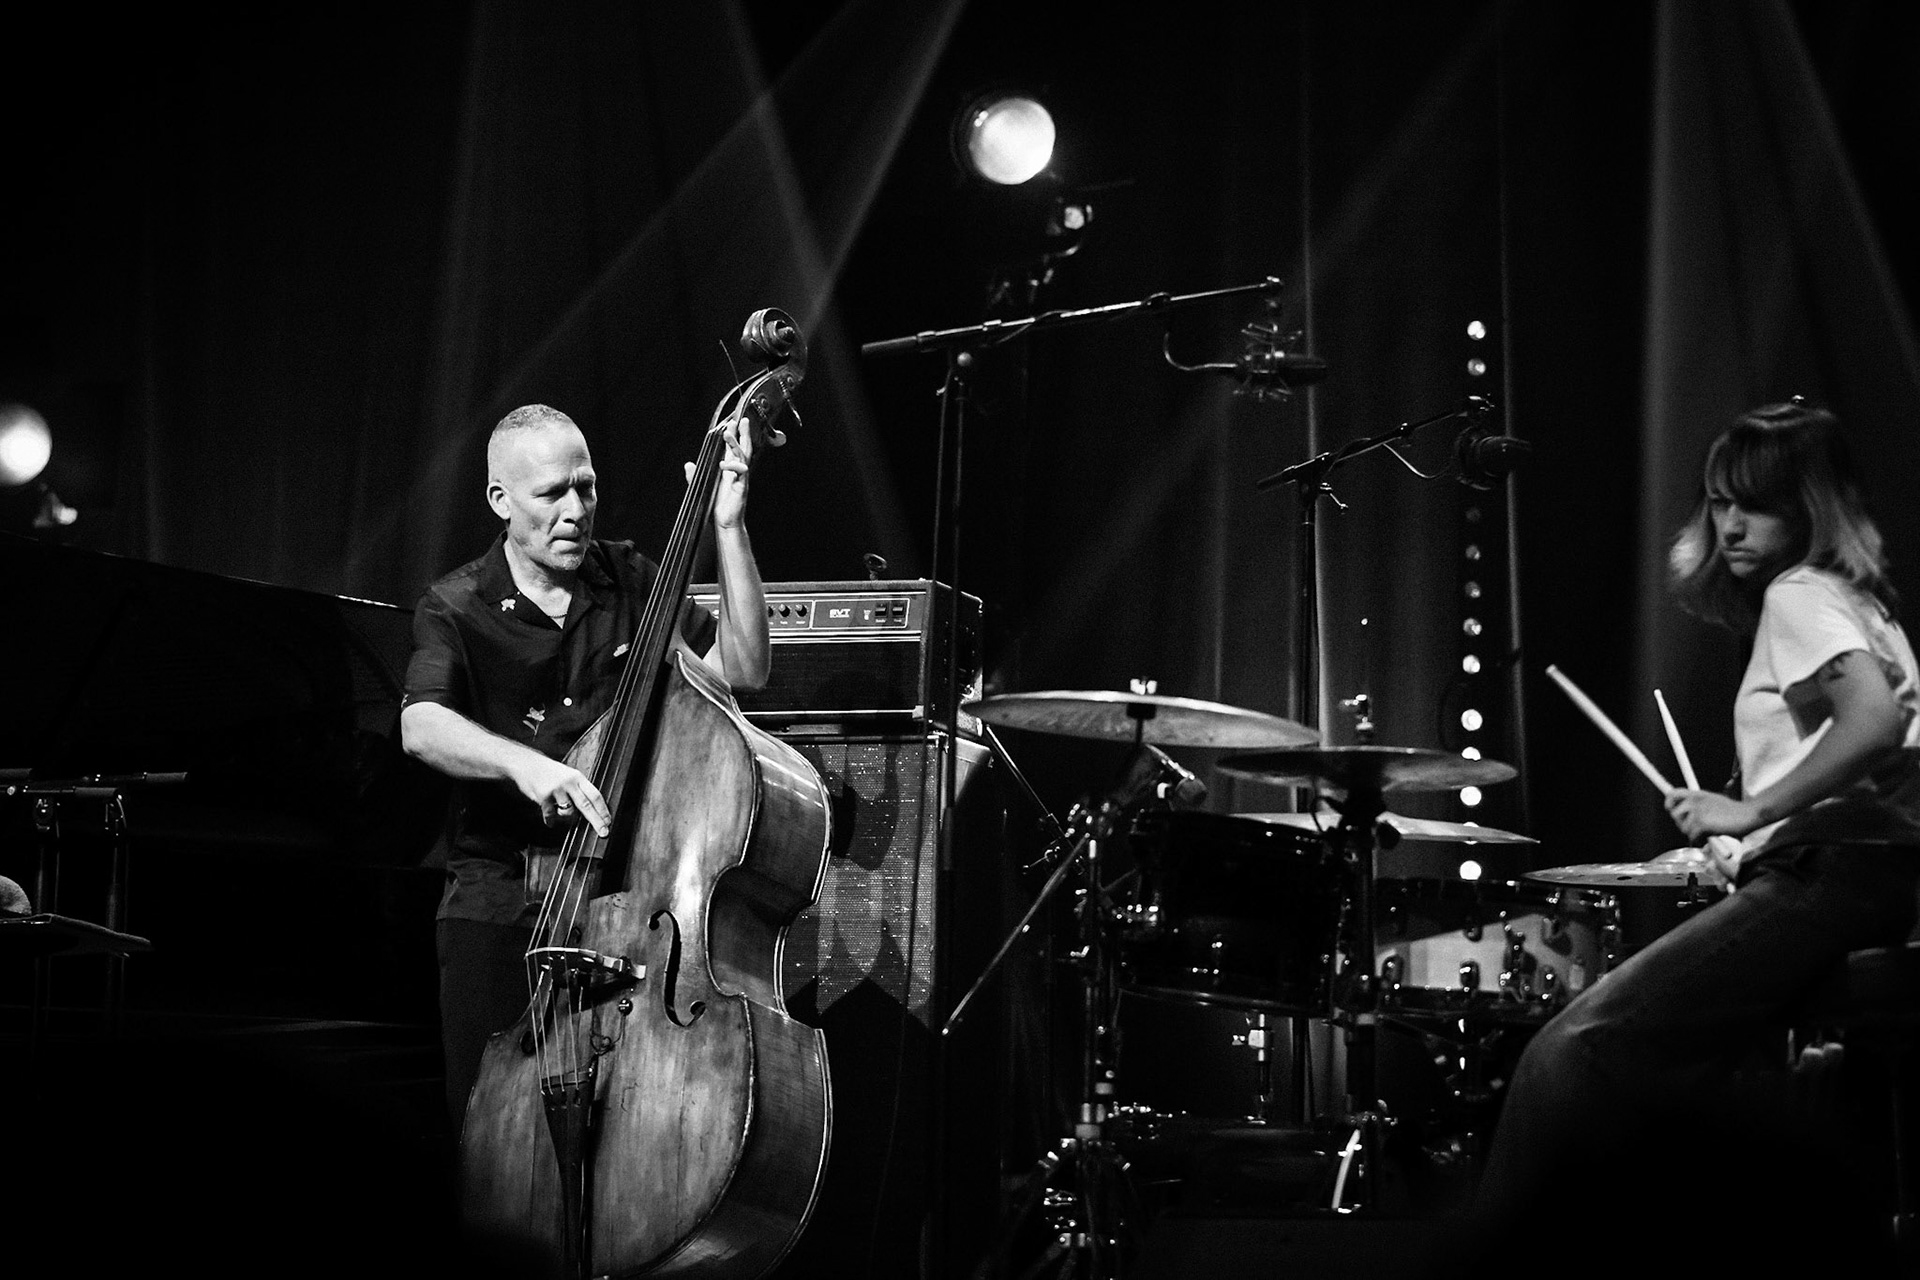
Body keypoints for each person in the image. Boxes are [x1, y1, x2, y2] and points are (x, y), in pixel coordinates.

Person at [1460, 401, 1920, 1273]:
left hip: (1835, 872)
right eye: (1717, 502)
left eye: (1757, 503)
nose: (1730, 524)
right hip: (1873, 870)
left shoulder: (1799, 594)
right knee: (1697, 1083)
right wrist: (1749, 838)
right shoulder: (1864, 605)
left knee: (1571, 1055)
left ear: (1810, 508)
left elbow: (1870, 721)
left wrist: (1750, 812)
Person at [400, 402, 771, 1129]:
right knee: (488, 1138)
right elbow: (420, 725)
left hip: (623, 909)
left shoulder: (630, 579)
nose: (576, 510)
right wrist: (528, 768)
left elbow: (743, 671)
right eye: (551, 495)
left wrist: (728, 526)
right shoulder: (456, 606)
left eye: (587, 488)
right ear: (500, 502)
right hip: (502, 906)